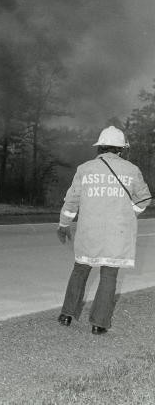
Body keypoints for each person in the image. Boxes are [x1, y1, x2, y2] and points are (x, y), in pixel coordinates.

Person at [56, 126, 151, 334]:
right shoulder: (131, 170)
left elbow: (71, 202)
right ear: (121, 149)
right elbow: (144, 200)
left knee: (80, 270)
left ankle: (66, 315)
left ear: (99, 147)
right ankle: (99, 324)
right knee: (109, 275)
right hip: (117, 234)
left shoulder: (85, 169)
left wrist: (64, 224)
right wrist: (130, 213)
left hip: (89, 232)